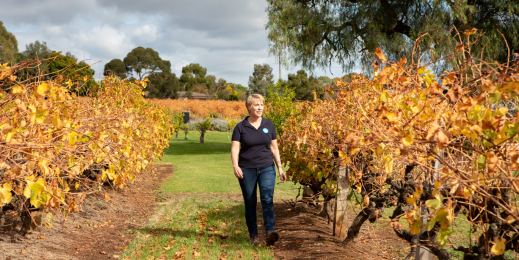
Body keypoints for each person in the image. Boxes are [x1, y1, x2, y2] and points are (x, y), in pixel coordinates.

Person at [231, 94, 287, 246]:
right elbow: (235, 149)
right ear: (249, 107)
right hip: (246, 169)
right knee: (250, 202)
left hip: (267, 168)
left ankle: (270, 233)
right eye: (256, 105)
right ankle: (253, 236)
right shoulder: (240, 127)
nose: (260, 108)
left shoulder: (269, 124)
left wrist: (280, 168)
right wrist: (235, 166)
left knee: (267, 199)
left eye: (262, 105)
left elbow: (274, 148)